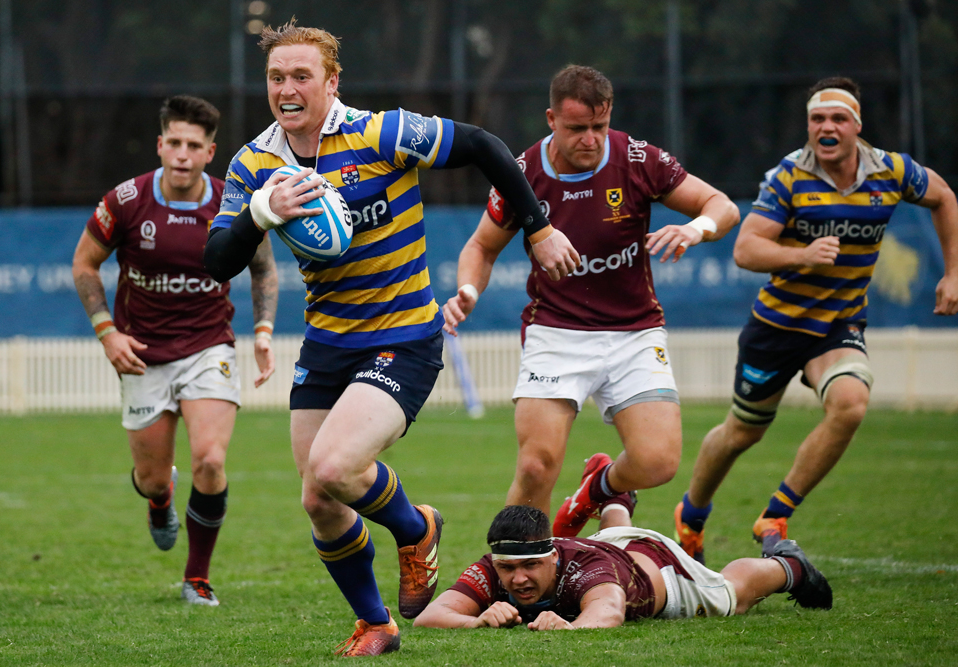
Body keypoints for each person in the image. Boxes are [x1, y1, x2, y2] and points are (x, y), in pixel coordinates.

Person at [202, 19, 579, 657]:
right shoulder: (254, 164)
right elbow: (217, 261)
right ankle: (376, 623)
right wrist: (260, 213)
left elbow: (485, 146)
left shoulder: (382, 133)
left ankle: (414, 528)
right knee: (318, 498)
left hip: (402, 336)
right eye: (276, 77)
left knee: (334, 466)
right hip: (327, 341)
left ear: (332, 82)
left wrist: (538, 227)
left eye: (301, 76)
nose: (287, 89)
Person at [440, 65, 741, 534]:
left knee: (658, 462)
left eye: (600, 126)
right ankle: (514, 566)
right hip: (555, 332)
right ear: (551, 120)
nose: (591, 139)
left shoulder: (637, 159)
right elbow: (481, 247)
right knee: (536, 467)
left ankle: (595, 491)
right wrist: (469, 290)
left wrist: (695, 229)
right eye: (577, 128)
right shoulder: (523, 172)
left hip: (635, 331)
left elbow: (723, 206)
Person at [674, 76, 958, 564]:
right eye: (817, 119)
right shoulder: (788, 177)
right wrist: (802, 255)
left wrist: (952, 272)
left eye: (838, 119)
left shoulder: (890, 170)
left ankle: (775, 516)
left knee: (851, 403)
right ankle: (692, 513)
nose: (827, 127)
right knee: (742, 432)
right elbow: (746, 249)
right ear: (808, 126)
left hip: (837, 325)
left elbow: (944, 196)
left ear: (857, 126)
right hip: (777, 327)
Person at [72, 96, 279, 606]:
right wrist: (107, 332)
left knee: (210, 460)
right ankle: (159, 496)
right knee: (149, 478)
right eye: (175, 143)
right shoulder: (125, 201)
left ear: (210, 152)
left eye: (194, 145)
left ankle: (197, 577)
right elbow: (84, 264)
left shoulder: (233, 202)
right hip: (141, 353)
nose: (183, 154)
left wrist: (264, 331)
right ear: (160, 145)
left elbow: (263, 270)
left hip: (209, 345)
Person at [413, 500, 831, 631]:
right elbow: (429, 617)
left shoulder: (586, 570)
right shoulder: (497, 564)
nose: (517, 579)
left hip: (658, 568)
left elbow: (609, 611)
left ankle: (789, 564)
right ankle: (614, 498)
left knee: (731, 595)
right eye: (507, 569)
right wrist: (476, 620)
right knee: (609, 537)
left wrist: (571, 628)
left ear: (552, 557)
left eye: (531, 566)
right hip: (609, 544)